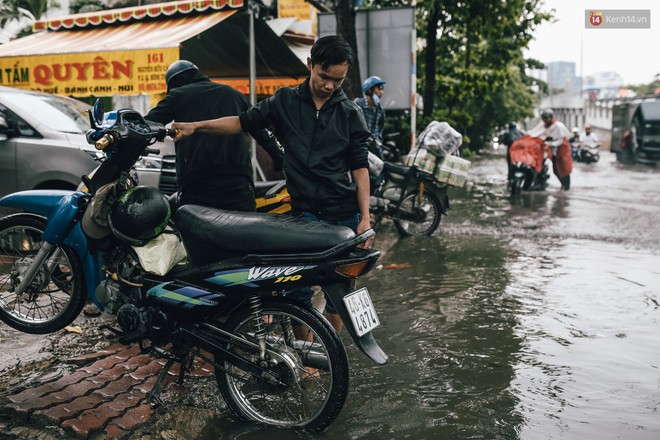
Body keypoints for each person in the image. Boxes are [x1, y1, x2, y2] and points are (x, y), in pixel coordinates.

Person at [172, 36, 373, 332]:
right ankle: (308, 361)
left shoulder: (349, 113)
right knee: (297, 291)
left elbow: (360, 167)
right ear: (311, 65)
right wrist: (196, 126)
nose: (330, 86)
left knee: (340, 292)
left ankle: (331, 352)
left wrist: (365, 218)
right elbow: (242, 122)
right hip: (303, 215)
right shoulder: (285, 101)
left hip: (342, 214)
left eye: (338, 81)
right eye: (324, 77)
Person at [145, 60, 283, 212]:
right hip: (238, 183)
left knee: (193, 233)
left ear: (173, 83)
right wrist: (286, 164)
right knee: (244, 233)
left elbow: (145, 126)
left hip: (197, 185)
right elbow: (264, 136)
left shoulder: (177, 96)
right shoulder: (235, 95)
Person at [528, 108, 573, 190]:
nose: (545, 120)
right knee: (555, 170)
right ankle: (562, 185)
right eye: (544, 118)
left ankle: (566, 187)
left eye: (547, 118)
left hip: (562, 151)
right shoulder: (543, 125)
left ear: (551, 117)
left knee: (564, 169)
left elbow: (561, 140)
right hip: (551, 151)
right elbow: (534, 133)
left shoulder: (558, 126)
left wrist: (550, 144)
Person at [354, 75, 386, 144]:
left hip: (374, 147)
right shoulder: (359, 104)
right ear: (370, 90)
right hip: (360, 145)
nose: (381, 92)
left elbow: (380, 131)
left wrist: (378, 142)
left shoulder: (380, 111)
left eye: (382, 89)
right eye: (379, 89)